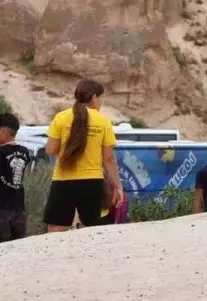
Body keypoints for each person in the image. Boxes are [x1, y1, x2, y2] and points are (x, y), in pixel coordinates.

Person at [42, 79, 123, 232]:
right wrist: (118, 187)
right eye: (101, 98)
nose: (101, 102)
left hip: (63, 181)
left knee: (56, 228)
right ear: (93, 97)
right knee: (92, 230)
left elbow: (51, 150)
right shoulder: (103, 121)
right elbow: (109, 159)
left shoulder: (61, 117)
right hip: (92, 182)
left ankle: (55, 256)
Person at [0, 112, 31, 242]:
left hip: (1, 209)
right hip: (19, 208)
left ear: (3, 132)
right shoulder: (24, 151)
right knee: (18, 245)